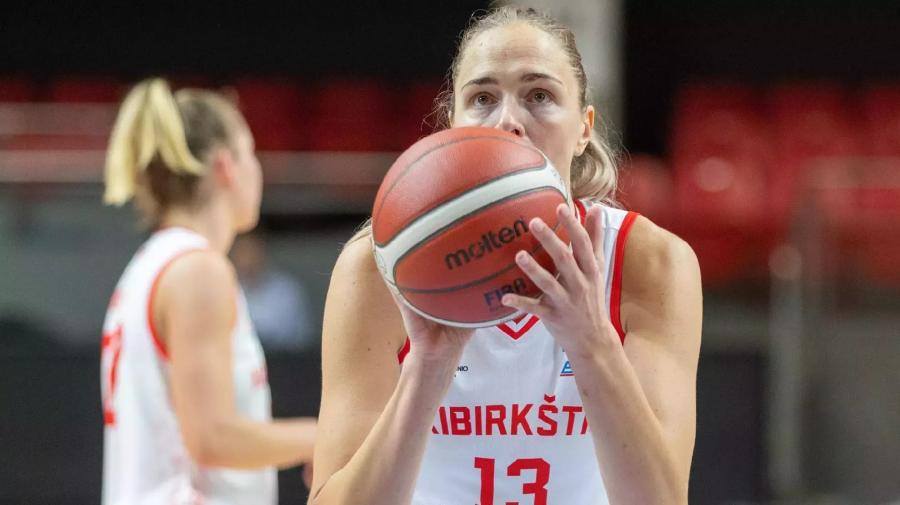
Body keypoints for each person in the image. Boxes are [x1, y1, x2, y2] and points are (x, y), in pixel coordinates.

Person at [311, 7, 701, 505]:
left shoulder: (651, 261)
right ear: (452, 124)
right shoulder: (378, 268)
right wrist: (427, 370)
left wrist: (592, 346)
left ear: (584, 129)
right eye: (483, 98)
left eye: (539, 96)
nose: (509, 121)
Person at [99, 78, 316, 505]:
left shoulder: (149, 265)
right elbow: (211, 437)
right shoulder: (199, 270)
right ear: (225, 166)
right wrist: (320, 436)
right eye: (250, 152)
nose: (258, 170)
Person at [232, 232, 316, 351]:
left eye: (251, 252)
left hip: (285, 358)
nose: (247, 260)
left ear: (262, 252)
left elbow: (301, 340)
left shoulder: (287, 290)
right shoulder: (231, 291)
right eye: (241, 253)